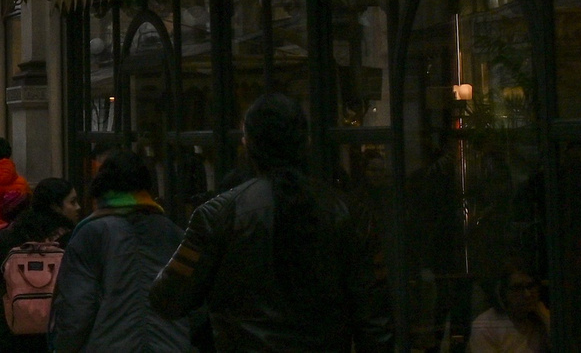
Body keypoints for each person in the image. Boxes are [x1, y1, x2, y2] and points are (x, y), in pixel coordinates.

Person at [148, 94, 394, 353]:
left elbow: (167, 299)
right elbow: (375, 321)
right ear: (305, 142)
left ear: (249, 144)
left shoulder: (217, 215)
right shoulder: (350, 214)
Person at [49, 152, 189, 353]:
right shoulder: (172, 232)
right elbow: (193, 301)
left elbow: (76, 310)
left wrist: (63, 347)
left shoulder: (90, 234)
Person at [0, 184, 76, 353]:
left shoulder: (8, 237)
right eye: (73, 202)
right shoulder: (72, 240)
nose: (78, 207)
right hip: (53, 332)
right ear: (55, 206)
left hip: (8, 332)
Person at [466, 269, 548, 353]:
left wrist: (546, 319)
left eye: (531, 286)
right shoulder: (485, 325)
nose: (527, 294)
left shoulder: (540, 318)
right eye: (517, 288)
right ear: (503, 293)